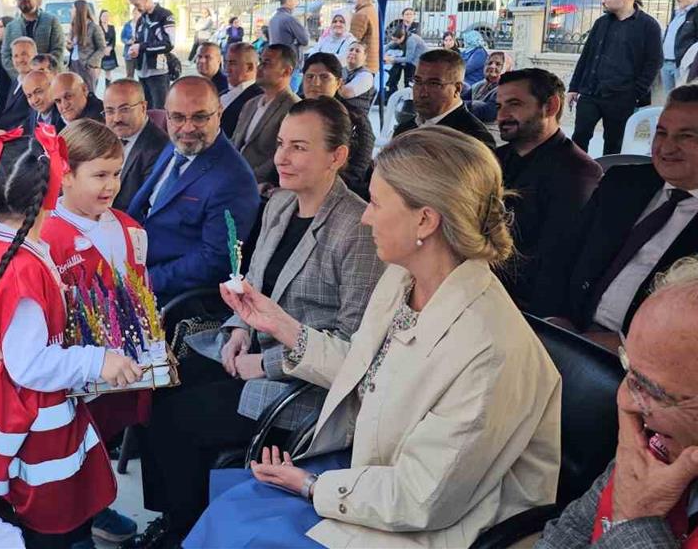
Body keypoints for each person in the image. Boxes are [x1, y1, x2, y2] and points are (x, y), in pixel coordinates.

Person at [189, 126, 561, 549]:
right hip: (371, 475)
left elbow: (423, 498)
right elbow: (366, 369)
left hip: (436, 526)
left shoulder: (489, 349)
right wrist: (280, 325)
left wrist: (313, 486)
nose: (365, 215)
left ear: (425, 220)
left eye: (378, 203)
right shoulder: (404, 278)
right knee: (232, 508)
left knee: (245, 531)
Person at [129, 98, 385, 549]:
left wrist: (263, 364)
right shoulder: (282, 205)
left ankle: (185, 529)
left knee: (179, 417)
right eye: (282, 144)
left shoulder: (357, 228)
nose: (282, 157)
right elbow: (251, 283)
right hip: (249, 349)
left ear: (337, 156)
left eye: (299, 147)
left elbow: (353, 346)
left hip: (302, 385)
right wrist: (238, 330)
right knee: (157, 386)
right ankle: (173, 514)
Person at [0, 125, 138, 548]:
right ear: (52, 190)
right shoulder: (26, 267)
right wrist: (97, 360)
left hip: (5, 413)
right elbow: (28, 363)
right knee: (55, 529)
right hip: (36, 431)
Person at [534, 259, 698, 549]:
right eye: (628, 370)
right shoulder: (654, 442)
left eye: (653, 391)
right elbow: (568, 532)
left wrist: (634, 520)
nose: (623, 400)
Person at [43, 118, 153, 545]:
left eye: (117, 173)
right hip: (71, 373)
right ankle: (73, 526)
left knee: (99, 441)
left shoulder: (127, 226)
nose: (111, 185)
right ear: (66, 175)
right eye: (99, 175)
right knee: (66, 450)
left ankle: (95, 504)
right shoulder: (48, 237)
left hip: (117, 370)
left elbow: (140, 289)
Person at [537, 85, 698, 347]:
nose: (667, 147)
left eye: (686, 136)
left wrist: (628, 346)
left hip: (646, 361)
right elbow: (562, 255)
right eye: (661, 132)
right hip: (567, 334)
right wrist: (555, 317)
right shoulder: (623, 184)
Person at [127, 77, 259, 305]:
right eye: (177, 117)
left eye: (200, 117)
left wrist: (143, 280)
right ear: (166, 115)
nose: (187, 127)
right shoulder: (176, 145)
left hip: (169, 296)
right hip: (132, 264)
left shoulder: (234, 179)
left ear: (219, 112)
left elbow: (215, 261)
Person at [493, 68, 602, 309]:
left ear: (551, 106)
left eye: (514, 104)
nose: (502, 115)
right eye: (499, 106)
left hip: (523, 304)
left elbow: (554, 262)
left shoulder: (578, 172)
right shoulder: (493, 159)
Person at [569, 0, 664, 156]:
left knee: (614, 142)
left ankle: (608, 178)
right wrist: (574, 87)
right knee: (580, 136)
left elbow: (654, 62)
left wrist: (635, 92)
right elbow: (586, 56)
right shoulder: (601, 23)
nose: (603, 0)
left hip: (621, 96)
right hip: (591, 92)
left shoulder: (648, 26)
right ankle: (576, 175)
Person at [302, 52, 375, 196]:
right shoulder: (293, 112)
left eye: (324, 77)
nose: (315, 83)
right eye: (310, 77)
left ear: (339, 83)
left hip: (341, 189)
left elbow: (362, 159)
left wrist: (338, 186)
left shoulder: (354, 117)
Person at [392, 49, 497, 147]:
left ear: (457, 89)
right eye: (417, 82)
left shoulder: (475, 141)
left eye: (434, 84)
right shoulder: (404, 131)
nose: (422, 93)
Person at [233, 43, 300, 190]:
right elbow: (235, 142)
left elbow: (279, 158)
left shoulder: (294, 109)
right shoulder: (251, 104)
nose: (260, 67)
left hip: (258, 185)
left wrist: (246, 179)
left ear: (286, 71)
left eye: (267, 63)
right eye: (261, 61)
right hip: (233, 175)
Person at [104, 79, 168, 212]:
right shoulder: (105, 136)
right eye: (110, 111)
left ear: (143, 108)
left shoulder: (159, 148)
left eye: (125, 109)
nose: (117, 118)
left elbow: (142, 207)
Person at [126, 0, 176, 110]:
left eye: (137, 4)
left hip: (158, 72)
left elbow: (168, 44)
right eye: (133, 5)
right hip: (141, 72)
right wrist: (134, 50)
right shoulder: (141, 19)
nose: (136, 8)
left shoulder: (165, 15)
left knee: (160, 111)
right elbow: (138, 42)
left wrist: (141, 47)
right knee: (145, 111)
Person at [3, 0, 66, 75]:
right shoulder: (11, 27)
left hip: (48, 80)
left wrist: (41, 73)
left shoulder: (51, 21)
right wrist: (22, 75)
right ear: (16, 0)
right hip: (22, 82)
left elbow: (58, 51)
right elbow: (6, 56)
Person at [0, 36, 40, 130]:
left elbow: (34, 121)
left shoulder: (38, 84)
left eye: (24, 54)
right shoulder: (16, 81)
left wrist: (7, 135)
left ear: (35, 56)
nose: (19, 60)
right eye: (16, 56)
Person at [219, 42, 262, 138]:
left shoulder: (258, 98)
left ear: (250, 67)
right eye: (226, 63)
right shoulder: (223, 92)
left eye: (233, 63)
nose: (227, 69)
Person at [661, 0, 697, 94]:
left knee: (682, 99)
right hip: (666, 63)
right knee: (669, 99)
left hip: (682, 65)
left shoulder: (695, 13)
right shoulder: (677, 13)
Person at [68, 0, 108, 90]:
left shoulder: (94, 27)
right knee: (74, 92)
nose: (71, 10)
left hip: (86, 66)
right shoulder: (74, 26)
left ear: (79, 10)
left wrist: (90, 63)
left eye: (72, 8)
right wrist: (69, 46)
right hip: (73, 65)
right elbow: (74, 47)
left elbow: (102, 48)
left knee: (88, 92)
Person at [267, 0, 310, 73]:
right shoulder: (290, 19)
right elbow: (305, 40)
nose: (297, 2)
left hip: (277, 63)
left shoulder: (273, 19)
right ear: (289, 1)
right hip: (291, 64)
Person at [463, 50, 512, 124]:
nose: (492, 66)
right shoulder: (480, 85)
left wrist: (463, 105)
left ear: (506, 68)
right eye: (489, 63)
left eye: (498, 64)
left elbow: (489, 112)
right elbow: (461, 99)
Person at [383, 22, 428, 95]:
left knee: (409, 80)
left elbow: (408, 59)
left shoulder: (411, 40)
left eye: (396, 40)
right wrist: (383, 54)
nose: (395, 42)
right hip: (411, 60)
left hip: (418, 61)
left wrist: (392, 59)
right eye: (393, 39)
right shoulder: (400, 37)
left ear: (402, 37)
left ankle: (410, 96)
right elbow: (389, 45)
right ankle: (397, 93)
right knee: (399, 75)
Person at [23, 58, 62, 133]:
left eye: (38, 92)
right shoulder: (34, 112)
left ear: (52, 87)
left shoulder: (64, 112)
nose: (35, 100)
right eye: (29, 96)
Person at [339, 41, 377, 114]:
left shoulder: (366, 76)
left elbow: (346, 93)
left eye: (357, 51)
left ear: (364, 56)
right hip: (338, 112)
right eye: (351, 50)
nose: (353, 52)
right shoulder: (340, 70)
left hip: (355, 117)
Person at [350, 0, 380, 75]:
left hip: (362, 64)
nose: (354, 1)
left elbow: (352, 41)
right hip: (373, 62)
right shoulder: (373, 11)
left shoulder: (361, 14)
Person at [99, 9, 119, 86]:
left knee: (108, 73)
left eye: (107, 16)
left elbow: (114, 40)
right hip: (100, 52)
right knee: (97, 72)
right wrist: (103, 49)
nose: (105, 17)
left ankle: (107, 90)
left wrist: (110, 48)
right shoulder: (97, 27)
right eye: (104, 16)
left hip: (109, 52)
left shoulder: (111, 27)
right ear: (100, 17)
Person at [122, 8, 140, 78]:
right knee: (129, 75)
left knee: (141, 75)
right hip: (128, 53)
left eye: (138, 13)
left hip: (140, 53)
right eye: (135, 13)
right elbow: (122, 37)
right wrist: (128, 41)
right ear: (132, 14)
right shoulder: (127, 24)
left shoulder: (144, 24)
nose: (136, 15)